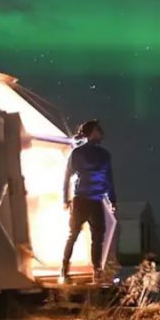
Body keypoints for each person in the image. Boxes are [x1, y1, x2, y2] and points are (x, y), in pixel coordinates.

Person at [60, 119, 116, 283]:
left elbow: (108, 179)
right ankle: (66, 269)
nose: (101, 133)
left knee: (92, 236)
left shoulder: (101, 154)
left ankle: (95, 270)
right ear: (92, 132)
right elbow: (68, 176)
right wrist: (65, 198)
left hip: (91, 200)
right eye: (99, 130)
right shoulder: (80, 153)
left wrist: (112, 200)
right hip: (85, 200)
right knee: (81, 236)